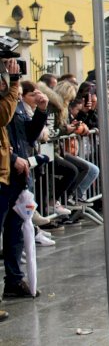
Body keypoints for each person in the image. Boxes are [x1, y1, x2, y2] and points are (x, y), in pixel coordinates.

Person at [1, 58, 39, 307]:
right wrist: (15, 83)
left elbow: (27, 134)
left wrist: (43, 112)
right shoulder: (8, 103)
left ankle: (14, 279)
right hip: (8, 168)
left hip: (14, 171)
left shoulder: (13, 102)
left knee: (15, 228)